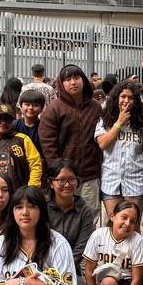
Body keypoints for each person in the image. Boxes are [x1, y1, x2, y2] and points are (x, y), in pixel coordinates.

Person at [38, 64, 104, 217]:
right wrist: (58, 172)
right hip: (63, 177)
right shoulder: (54, 109)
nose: (73, 82)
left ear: (83, 80)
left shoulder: (95, 108)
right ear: (61, 84)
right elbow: (48, 144)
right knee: (62, 217)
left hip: (90, 175)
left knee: (89, 216)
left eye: (76, 77)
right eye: (67, 79)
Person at [45, 159, 96, 285]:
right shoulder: (42, 207)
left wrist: (60, 271)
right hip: (42, 268)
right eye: (61, 180)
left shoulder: (85, 212)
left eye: (72, 179)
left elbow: (80, 249)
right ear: (51, 183)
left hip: (70, 270)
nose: (67, 185)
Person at [96, 80, 143, 218]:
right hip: (111, 180)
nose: (126, 101)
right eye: (123, 97)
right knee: (114, 225)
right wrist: (119, 122)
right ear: (116, 98)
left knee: (133, 226)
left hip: (136, 181)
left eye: (131, 98)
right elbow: (102, 144)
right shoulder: (105, 120)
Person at [14, 88, 45, 156]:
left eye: (35, 105)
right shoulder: (14, 126)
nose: (31, 108)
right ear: (21, 107)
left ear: (41, 109)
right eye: (27, 104)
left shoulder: (44, 128)